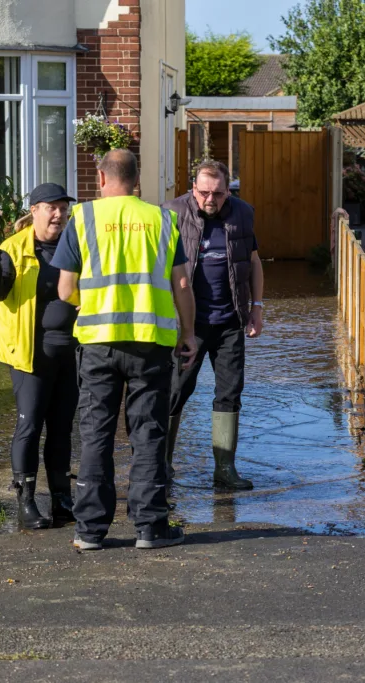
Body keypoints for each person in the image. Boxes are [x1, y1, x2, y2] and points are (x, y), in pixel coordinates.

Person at [53, 149, 197, 550]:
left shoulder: (82, 219)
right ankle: (150, 527)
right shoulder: (163, 219)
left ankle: (89, 532)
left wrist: (91, 304)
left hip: (98, 343)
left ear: (101, 178)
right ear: (138, 178)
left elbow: (65, 289)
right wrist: (189, 333)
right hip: (151, 345)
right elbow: (181, 285)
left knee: (95, 433)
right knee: (148, 432)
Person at [0, 183, 79, 531]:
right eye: (51, 207)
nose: (58, 214)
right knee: (30, 424)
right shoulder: (13, 249)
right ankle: (26, 500)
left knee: (63, 428)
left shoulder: (74, 244)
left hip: (69, 352)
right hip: (29, 352)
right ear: (33, 210)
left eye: (62, 208)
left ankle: (62, 500)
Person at [163, 160, 264, 490]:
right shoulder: (171, 213)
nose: (210, 199)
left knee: (230, 393)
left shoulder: (243, 213)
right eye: (204, 192)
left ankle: (224, 470)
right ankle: (161, 466)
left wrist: (257, 308)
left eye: (218, 194)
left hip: (229, 321)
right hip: (186, 324)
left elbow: (253, 262)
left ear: (228, 191)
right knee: (175, 391)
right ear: (193, 189)